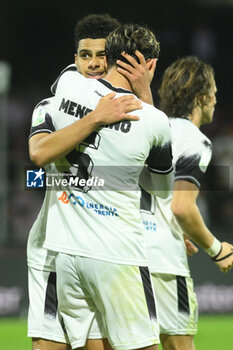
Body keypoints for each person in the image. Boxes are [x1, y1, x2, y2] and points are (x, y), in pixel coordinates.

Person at [30, 23, 173, 350]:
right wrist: (146, 95)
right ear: (150, 66)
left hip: (67, 256)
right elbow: (162, 190)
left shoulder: (67, 83)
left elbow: (75, 79)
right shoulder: (153, 120)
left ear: (106, 56)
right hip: (117, 255)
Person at [139, 56, 233, 350]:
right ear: (202, 97)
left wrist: (176, 231)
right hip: (163, 262)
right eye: (215, 93)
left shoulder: (149, 128)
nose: (216, 101)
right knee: (179, 344)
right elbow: (181, 206)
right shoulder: (194, 139)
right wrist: (217, 249)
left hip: (128, 253)